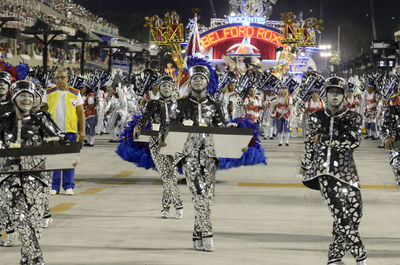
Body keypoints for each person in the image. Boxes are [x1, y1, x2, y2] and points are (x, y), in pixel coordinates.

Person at [300, 77, 367, 265]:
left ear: (344, 95)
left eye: (338, 92)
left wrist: (323, 139)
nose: (335, 96)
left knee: (355, 214)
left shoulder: (354, 118)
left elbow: (353, 141)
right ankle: (360, 255)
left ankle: (335, 256)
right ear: (325, 94)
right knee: (340, 214)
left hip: (348, 173)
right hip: (323, 172)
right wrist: (305, 165)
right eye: (331, 92)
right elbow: (308, 146)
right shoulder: (315, 117)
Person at [160, 64, 225, 252]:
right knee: (199, 194)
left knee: (208, 197)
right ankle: (207, 235)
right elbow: (168, 125)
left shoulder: (214, 106)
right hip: (188, 157)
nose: (198, 81)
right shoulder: (180, 104)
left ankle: (197, 235)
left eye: (201, 78)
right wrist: (163, 137)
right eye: (195, 78)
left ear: (207, 82)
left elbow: (222, 130)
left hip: (210, 158)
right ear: (190, 81)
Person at [0, 80, 62, 265]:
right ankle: (37, 260)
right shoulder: (3, 118)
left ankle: (27, 261)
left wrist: (58, 144)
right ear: (15, 97)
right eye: (22, 95)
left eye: (30, 95)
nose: (26, 99)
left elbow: (59, 140)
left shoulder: (41, 120)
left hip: (36, 180)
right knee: (21, 220)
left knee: (33, 227)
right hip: (9, 179)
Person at [134, 75, 183, 218]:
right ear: (159, 88)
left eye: (169, 86)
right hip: (156, 142)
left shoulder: (178, 105)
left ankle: (165, 208)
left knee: (170, 176)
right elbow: (144, 119)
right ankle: (178, 204)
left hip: (173, 142)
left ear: (173, 88)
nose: (166, 88)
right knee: (166, 174)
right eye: (163, 86)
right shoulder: (152, 103)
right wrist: (138, 126)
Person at [42, 69, 85, 195]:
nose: (59, 80)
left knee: (69, 159)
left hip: (70, 131)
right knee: (54, 159)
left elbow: (81, 114)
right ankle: (54, 186)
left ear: (68, 79)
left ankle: (68, 186)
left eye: (62, 77)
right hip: (53, 132)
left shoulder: (75, 93)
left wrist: (82, 131)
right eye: (57, 78)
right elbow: (42, 111)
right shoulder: (49, 93)